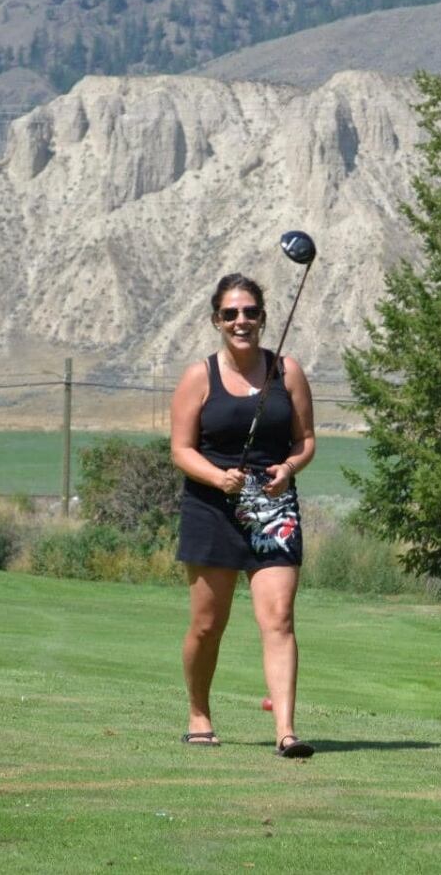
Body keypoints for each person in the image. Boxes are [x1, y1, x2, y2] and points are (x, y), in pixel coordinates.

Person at [170, 273, 316, 758]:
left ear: (262, 317)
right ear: (216, 320)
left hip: (273, 506)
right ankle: (198, 712)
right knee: (207, 625)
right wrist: (217, 477)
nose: (241, 321)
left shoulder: (287, 372)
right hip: (212, 507)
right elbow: (181, 449)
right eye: (230, 313)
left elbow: (305, 440)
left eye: (250, 312)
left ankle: (286, 732)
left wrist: (289, 467)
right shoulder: (199, 377)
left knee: (278, 617)